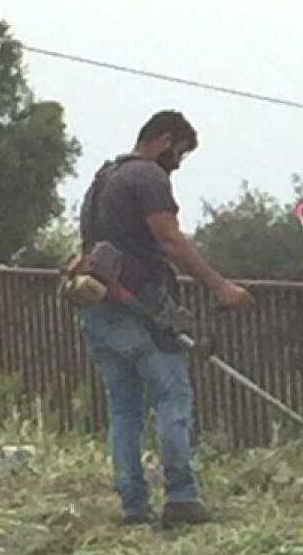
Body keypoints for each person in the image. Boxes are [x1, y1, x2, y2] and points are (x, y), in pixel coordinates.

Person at [78, 110, 254, 528]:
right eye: (179, 152)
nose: (178, 162)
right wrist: (220, 286)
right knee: (172, 398)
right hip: (139, 310)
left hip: (99, 305)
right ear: (162, 139)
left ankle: (134, 504)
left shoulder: (104, 178)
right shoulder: (148, 178)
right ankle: (180, 497)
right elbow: (169, 240)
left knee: (124, 409)